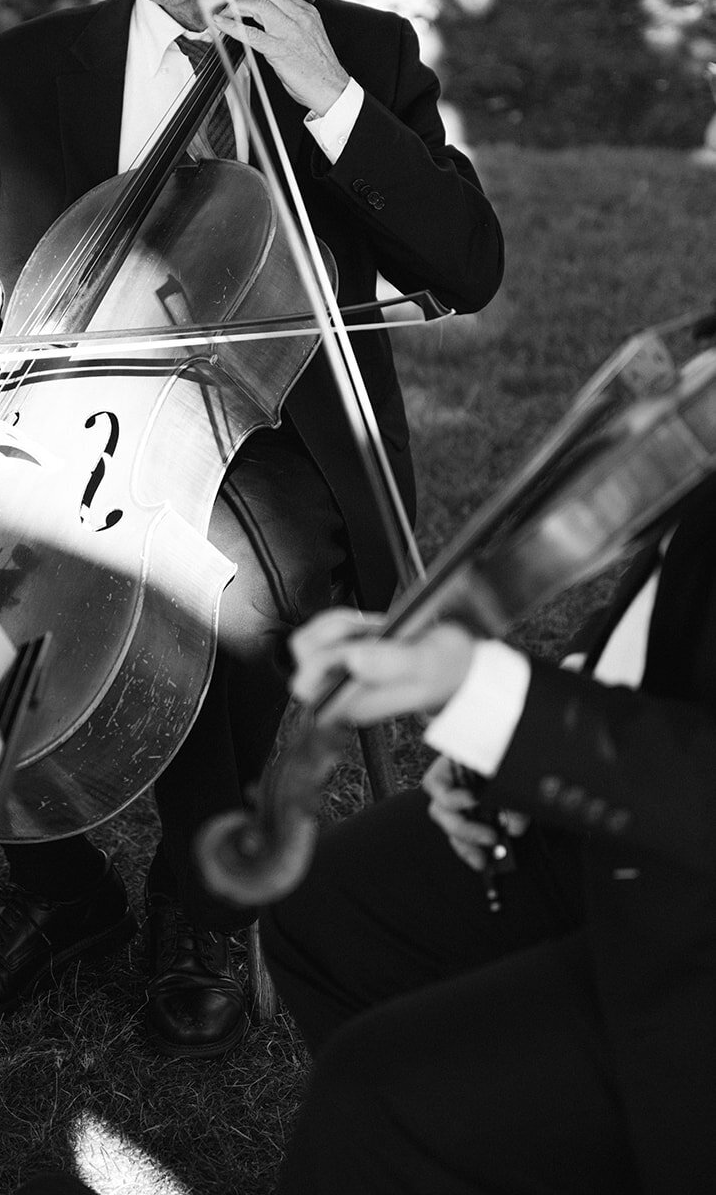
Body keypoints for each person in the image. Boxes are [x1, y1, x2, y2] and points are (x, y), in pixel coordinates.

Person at [0, 0, 504, 1058]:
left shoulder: (354, 53)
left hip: (270, 431)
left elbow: (461, 263)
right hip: (59, 418)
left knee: (226, 575)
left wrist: (326, 98)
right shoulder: (20, 72)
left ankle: (197, 899)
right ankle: (57, 897)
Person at [255, 460, 716, 1193]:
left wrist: (499, 705)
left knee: (374, 1104)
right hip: (644, 817)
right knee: (322, 909)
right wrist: (520, 742)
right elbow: (678, 602)